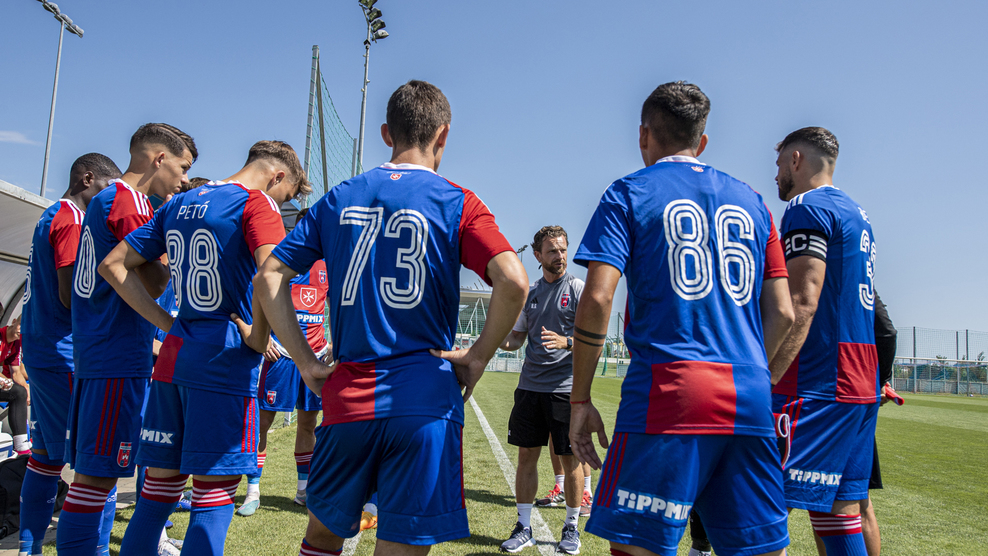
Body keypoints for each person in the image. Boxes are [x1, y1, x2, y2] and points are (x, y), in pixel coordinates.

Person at [252, 79, 528, 556]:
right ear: (443, 135)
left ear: (386, 133)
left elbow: (269, 276)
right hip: (425, 397)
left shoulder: (339, 198)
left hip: (349, 395)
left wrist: (305, 361)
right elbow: (514, 281)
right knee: (400, 546)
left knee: (321, 538)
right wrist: (479, 355)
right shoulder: (457, 200)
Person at [568, 81, 794, 556]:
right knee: (758, 549)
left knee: (640, 547)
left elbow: (598, 298)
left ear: (643, 135)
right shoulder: (755, 201)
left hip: (669, 393)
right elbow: (783, 311)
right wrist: (753, 376)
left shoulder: (628, 192)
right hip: (749, 395)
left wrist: (581, 398)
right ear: (702, 141)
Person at [103, 140, 307, 554]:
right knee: (213, 495)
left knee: (156, 495)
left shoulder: (181, 201)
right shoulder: (256, 204)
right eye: (284, 196)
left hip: (175, 358)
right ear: (277, 176)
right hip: (223, 362)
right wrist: (260, 337)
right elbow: (269, 278)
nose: (280, 205)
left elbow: (112, 265)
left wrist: (168, 325)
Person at [58, 125, 196, 556]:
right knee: (95, 482)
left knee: (93, 480)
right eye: (183, 167)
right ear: (159, 158)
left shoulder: (107, 199)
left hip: (100, 350)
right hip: (116, 354)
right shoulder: (129, 200)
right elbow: (154, 280)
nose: (184, 180)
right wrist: (170, 320)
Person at [769, 126, 879, 556]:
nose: (776, 174)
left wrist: (765, 377)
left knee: (758, 503)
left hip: (816, 381)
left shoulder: (806, 206)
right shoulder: (858, 214)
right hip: (859, 382)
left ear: (796, 160)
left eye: (779, 164)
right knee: (839, 512)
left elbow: (802, 300)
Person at [16, 152, 121, 556]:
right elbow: (70, 292)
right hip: (64, 354)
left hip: (42, 349)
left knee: (44, 459)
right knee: (98, 462)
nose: (107, 201)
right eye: (105, 189)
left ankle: (28, 547)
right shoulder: (72, 219)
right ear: (87, 179)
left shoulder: (50, 215)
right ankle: (94, 548)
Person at [498, 225, 588, 554]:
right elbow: (516, 338)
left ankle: (571, 527)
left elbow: (595, 337)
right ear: (538, 255)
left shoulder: (578, 289)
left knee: (570, 460)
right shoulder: (531, 292)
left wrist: (568, 342)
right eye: (552, 251)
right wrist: (495, 338)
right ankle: (524, 527)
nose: (560, 256)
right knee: (526, 456)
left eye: (563, 249)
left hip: (565, 389)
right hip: (529, 388)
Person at [237, 211, 329, 516]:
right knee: (262, 422)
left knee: (308, 424)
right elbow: (256, 294)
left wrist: (334, 343)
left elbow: (339, 305)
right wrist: (261, 336)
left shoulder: (327, 264)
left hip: (316, 357)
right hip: (281, 357)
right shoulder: (280, 260)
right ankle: (253, 491)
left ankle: (303, 491)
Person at [811, 291, 897, 556]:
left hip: (819, 391)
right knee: (856, 499)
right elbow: (887, 332)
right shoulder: (862, 277)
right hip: (858, 394)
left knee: (780, 497)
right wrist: (879, 381)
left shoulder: (817, 273)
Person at [0, 315, 30, 454]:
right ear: (13, 322)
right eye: (20, 325)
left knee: (20, 392)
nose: (21, 330)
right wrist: (4, 380)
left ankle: (22, 447)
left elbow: (17, 372)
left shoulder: (16, 344)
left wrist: (27, 388)